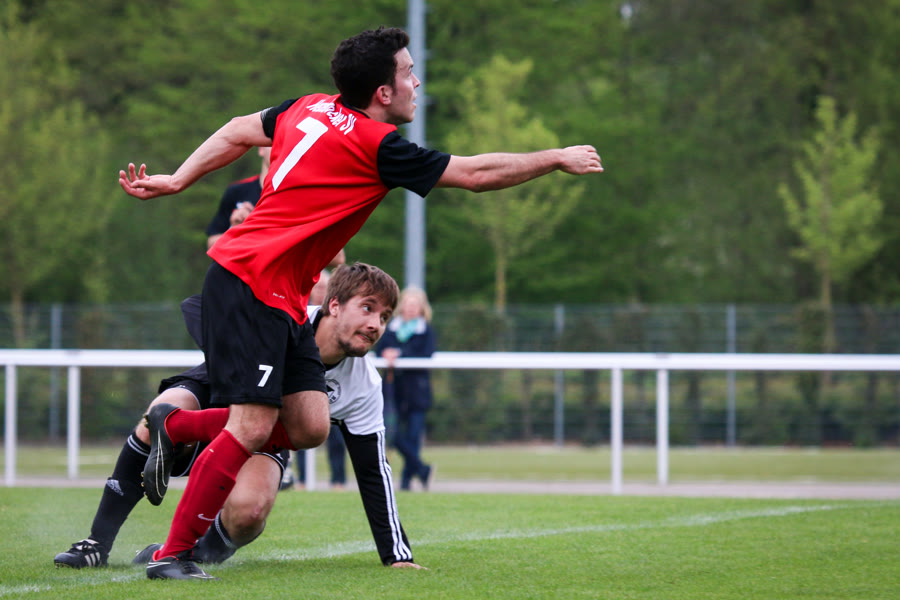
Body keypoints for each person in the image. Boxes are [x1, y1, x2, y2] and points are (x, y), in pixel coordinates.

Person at [118, 25, 603, 580]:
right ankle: (174, 555)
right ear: (383, 91)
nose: (418, 82)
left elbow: (236, 130)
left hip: (276, 292)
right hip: (250, 280)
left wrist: (179, 179)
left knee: (310, 425)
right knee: (252, 426)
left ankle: (177, 428)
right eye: (410, 73)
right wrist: (555, 157)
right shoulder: (377, 146)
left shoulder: (308, 106)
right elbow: (474, 174)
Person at [55, 263, 424, 571]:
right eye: (368, 308)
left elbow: (374, 472)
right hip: (217, 390)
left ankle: (192, 553)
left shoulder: (364, 386)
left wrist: (397, 556)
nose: (376, 324)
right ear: (335, 305)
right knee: (161, 411)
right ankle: (97, 543)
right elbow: (198, 305)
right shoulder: (284, 316)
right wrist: (240, 357)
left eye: (384, 317)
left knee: (250, 513)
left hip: (266, 434)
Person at [295, 266, 350, 491]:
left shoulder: (341, 321)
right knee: (301, 433)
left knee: (336, 437)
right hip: (304, 385)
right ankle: (302, 479)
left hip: (332, 388)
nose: (320, 292)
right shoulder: (300, 315)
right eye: (317, 287)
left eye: (324, 287)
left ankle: (338, 480)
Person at [377, 286, 437, 490]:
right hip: (393, 390)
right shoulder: (390, 328)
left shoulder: (425, 330)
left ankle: (406, 481)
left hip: (417, 392)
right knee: (392, 434)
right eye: (408, 304)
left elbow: (427, 353)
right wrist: (386, 353)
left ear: (422, 308)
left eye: (415, 305)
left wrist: (399, 354)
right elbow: (380, 348)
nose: (411, 308)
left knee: (413, 436)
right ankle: (422, 469)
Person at [205, 146, 270, 249]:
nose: (279, 148)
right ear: (261, 149)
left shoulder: (294, 195)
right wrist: (236, 229)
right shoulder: (237, 191)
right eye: (273, 143)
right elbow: (212, 245)